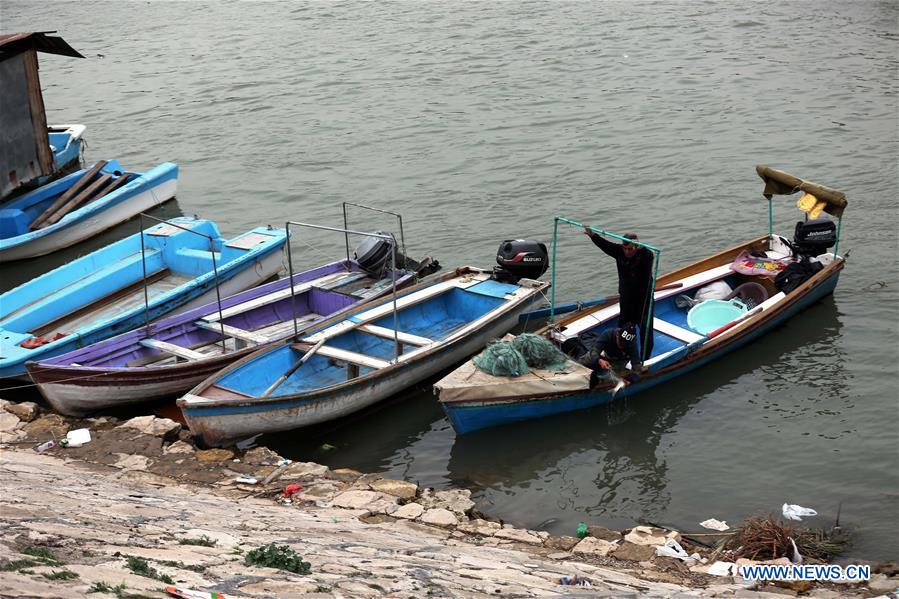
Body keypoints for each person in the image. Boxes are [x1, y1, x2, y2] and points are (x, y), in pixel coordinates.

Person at [584, 227, 654, 360]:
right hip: (626, 298)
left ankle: (645, 358)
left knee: (645, 330)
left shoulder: (645, 255)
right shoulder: (619, 251)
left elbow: (649, 255)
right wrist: (593, 236)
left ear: (637, 247)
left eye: (630, 249)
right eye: (625, 248)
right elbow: (606, 245)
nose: (627, 252)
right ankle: (622, 353)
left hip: (643, 300)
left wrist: (641, 248)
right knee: (623, 328)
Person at [574, 325, 642, 388]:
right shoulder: (608, 334)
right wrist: (599, 360)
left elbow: (637, 369)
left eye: (625, 345)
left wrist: (630, 380)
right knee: (587, 358)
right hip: (604, 355)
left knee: (610, 378)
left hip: (619, 360)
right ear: (617, 335)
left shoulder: (632, 345)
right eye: (621, 342)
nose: (622, 346)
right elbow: (594, 351)